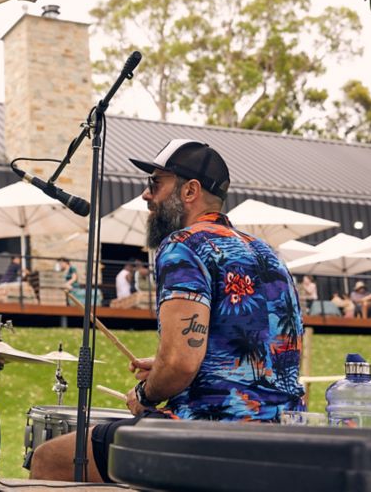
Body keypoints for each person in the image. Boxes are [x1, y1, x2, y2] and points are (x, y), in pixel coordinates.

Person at [30, 139, 304, 483]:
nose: (147, 195)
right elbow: (257, 354)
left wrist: (145, 393)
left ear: (189, 191)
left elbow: (180, 364)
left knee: (51, 458)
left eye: (156, 184)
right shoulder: (267, 253)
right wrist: (162, 366)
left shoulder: (183, 245)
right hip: (286, 435)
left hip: (211, 436)